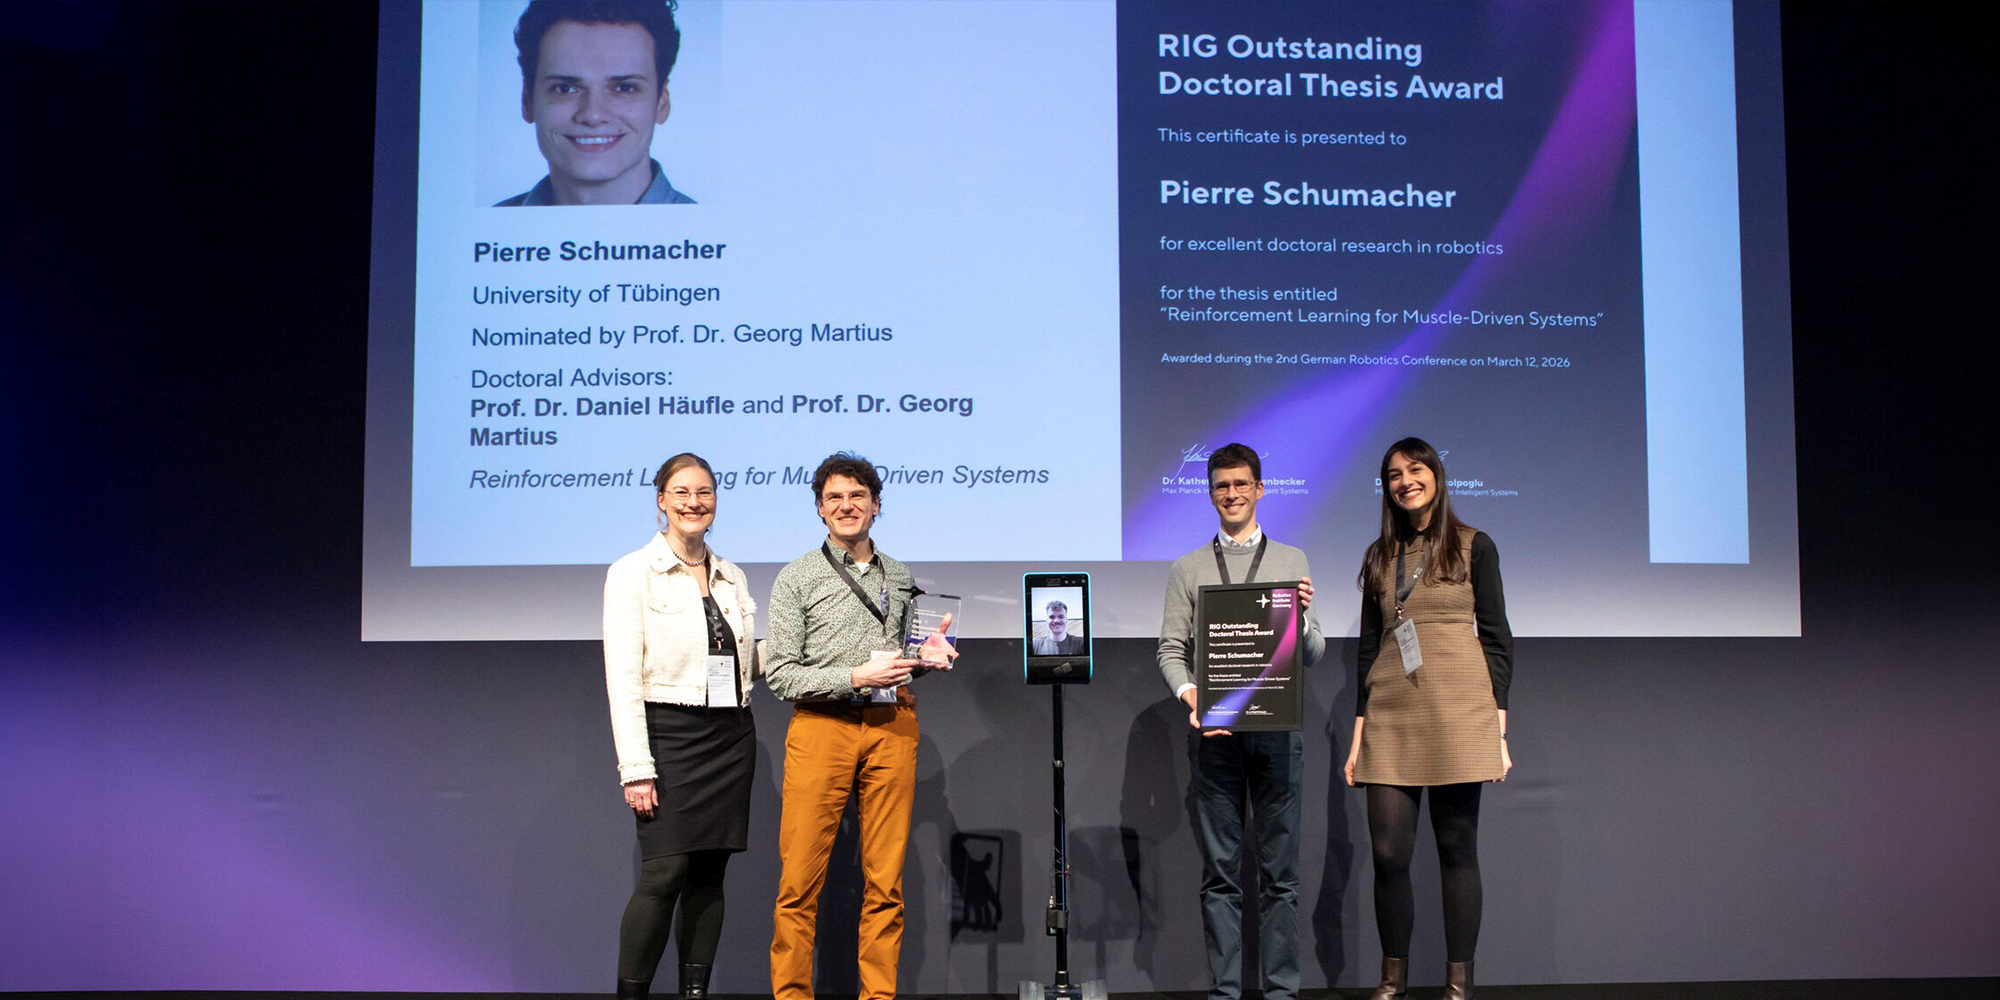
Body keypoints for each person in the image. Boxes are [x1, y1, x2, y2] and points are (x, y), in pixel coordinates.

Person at [765, 452, 956, 1000]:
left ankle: (878, 997)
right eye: (834, 498)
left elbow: (903, 660)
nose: (846, 506)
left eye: (857, 496)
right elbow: (780, 674)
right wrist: (853, 676)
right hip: (821, 727)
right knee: (798, 883)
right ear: (820, 509)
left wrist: (928, 657)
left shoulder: (899, 575)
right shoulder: (797, 576)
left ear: (876, 505)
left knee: (885, 883)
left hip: (891, 725)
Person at [1343, 437, 1513, 1000]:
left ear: (1436, 475)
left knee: (1457, 849)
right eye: (1394, 474)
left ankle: (1458, 984)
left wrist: (1498, 728)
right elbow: (1367, 650)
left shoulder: (1474, 545)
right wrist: (1358, 738)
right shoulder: (1378, 555)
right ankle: (1393, 980)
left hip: (1460, 712)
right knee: (1389, 854)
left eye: (1415, 469)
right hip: (1391, 713)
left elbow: (1497, 638)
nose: (1405, 481)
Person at [1157, 442, 1324, 1000]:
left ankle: (1281, 993)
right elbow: (1170, 650)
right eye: (1221, 486)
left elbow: (1312, 654)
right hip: (1215, 738)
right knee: (1220, 877)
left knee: (1281, 878)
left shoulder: (1292, 560)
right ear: (1211, 495)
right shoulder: (1187, 568)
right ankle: (1225, 994)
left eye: (1241, 484)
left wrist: (1302, 619)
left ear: (1259, 490)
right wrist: (1192, 697)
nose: (1232, 494)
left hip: (1277, 735)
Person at [602, 453, 759, 1000]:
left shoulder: (731, 575)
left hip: (730, 738)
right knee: (664, 874)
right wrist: (636, 768)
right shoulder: (631, 573)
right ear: (661, 501)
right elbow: (623, 677)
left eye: (705, 492)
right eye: (682, 492)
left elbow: (744, 661)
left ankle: (695, 994)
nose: (695, 502)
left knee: (710, 877)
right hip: (669, 735)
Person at [500, 0, 695, 206]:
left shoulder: (709, 226)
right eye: (565, 88)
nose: (593, 115)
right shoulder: (487, 224)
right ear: (527, 102)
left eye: (625, 88)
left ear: (662, 102)